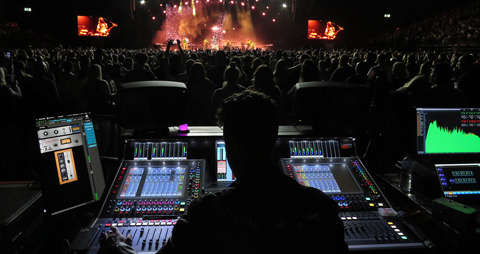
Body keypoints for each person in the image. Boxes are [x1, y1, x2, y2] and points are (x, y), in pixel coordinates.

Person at [99, 90, 348, 254]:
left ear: (228, 145)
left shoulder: (205, 216)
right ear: (274, 139)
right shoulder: (321, 208)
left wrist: (119, 248)